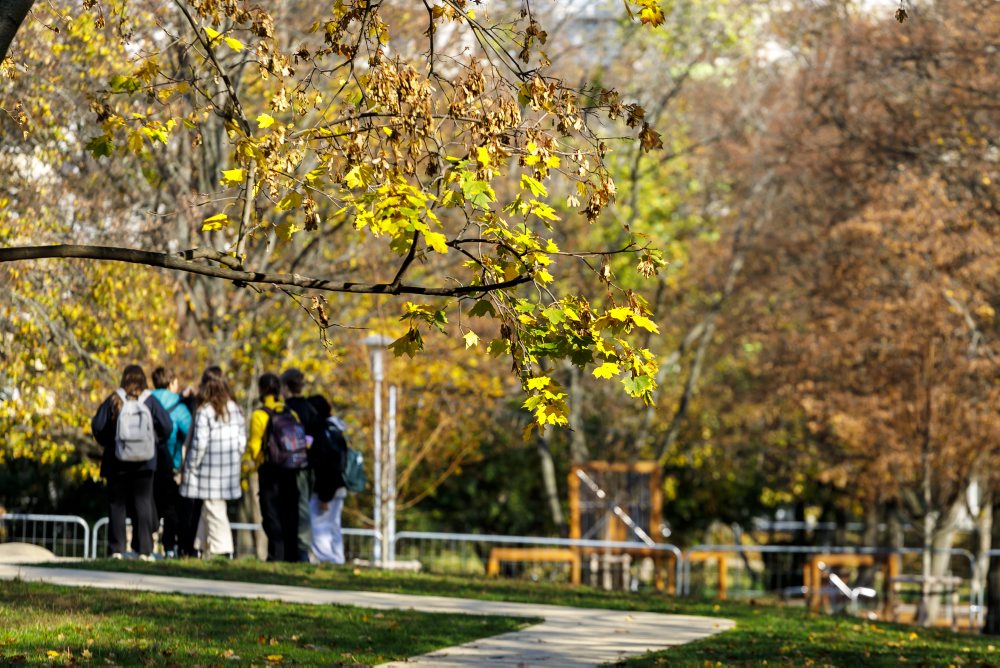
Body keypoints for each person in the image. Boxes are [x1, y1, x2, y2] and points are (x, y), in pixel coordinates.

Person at [91, 364, 172, 559]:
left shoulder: (115, 399)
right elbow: (167, 426)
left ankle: (116, 549)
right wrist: (154, 442)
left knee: (117, 505)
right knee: (143, 503)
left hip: (117, 460)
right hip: (145, 461)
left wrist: (111, 443)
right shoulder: (149, 400)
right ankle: (144, 549)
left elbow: (97, 426)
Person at [179, 368, 246, 558]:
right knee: (209, 510)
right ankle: (200, 547)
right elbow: (242, 441)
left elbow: (199, 443)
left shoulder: (205, 411)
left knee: (214, 511)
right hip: (229, 470)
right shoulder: (235, 409)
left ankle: (222, 550)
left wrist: (190, 465)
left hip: (207, 471)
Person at [247, 372, 308, 562]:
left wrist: (250, 466)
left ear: (261, 389)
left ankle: (276, 555)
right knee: (290, 513)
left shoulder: (259, 415)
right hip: (291, 470)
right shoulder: (290, 412)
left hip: (270, 471)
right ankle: (291, 556)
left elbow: (254, 447)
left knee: (271, 515)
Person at [149, 366, 193, 557]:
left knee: (148, 504)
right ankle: (169, 548)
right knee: (170, 509)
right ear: (171, 383)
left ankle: (145, 546)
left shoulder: (145, 400)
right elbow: (191, 431)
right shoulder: (178, 405)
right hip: (170, 463)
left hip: (145, 462)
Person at [281, 368, 323, 562]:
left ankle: (294, 550)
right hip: (307, 466)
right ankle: (301, 549)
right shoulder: (310, 410)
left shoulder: (285, 410)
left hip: (285, 467)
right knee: (302, 507)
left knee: (291, 509)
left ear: (286, 387)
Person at [306, 394, 347, 564]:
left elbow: (325, 465)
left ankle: (327, 560)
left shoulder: (322, 432)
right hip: (338, 486)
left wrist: (324, 496)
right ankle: (338, 559)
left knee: (319, 526)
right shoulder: (336, 430)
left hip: (326, 489)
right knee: (334, 526)